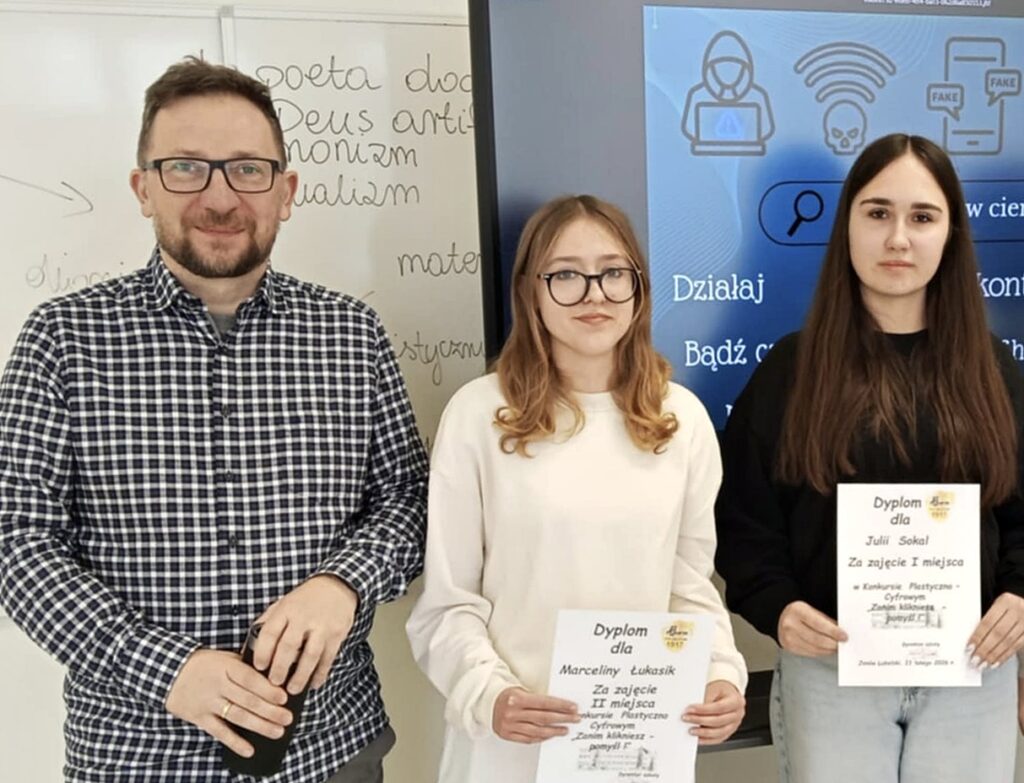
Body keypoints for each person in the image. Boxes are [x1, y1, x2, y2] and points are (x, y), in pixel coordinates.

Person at [0, 58, 427, 782]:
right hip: (137, 756)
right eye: (186, 168)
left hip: (331, 750)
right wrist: (163, 667)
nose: (220, 197)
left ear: (286, 191)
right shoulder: (63, 340)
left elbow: (409, 501)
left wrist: (344, 583)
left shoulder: (352, 335)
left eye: (249, 170)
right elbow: (18, 541)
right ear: (143, 187)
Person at [406, 194, 748, 783]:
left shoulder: (681, 420)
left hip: (636, 751)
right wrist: (490, 694)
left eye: (613, 273)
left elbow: (689, 588)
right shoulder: (479, 415)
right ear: (530, 293)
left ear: (638, 288)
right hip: (510, 749)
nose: (594, 294)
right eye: (566, 275)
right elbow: (447, 603)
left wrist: (721, 673)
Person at [715, 133, 1024, 783]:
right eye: (878, 212)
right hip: (832, 673)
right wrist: (777, 607)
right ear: (848, 225)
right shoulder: (790, 370)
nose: (898, 238)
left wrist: (1022, 594)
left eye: (922, 216)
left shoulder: (995, 371)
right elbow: (744, 521)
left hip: (972, 670)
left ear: (951, 234)